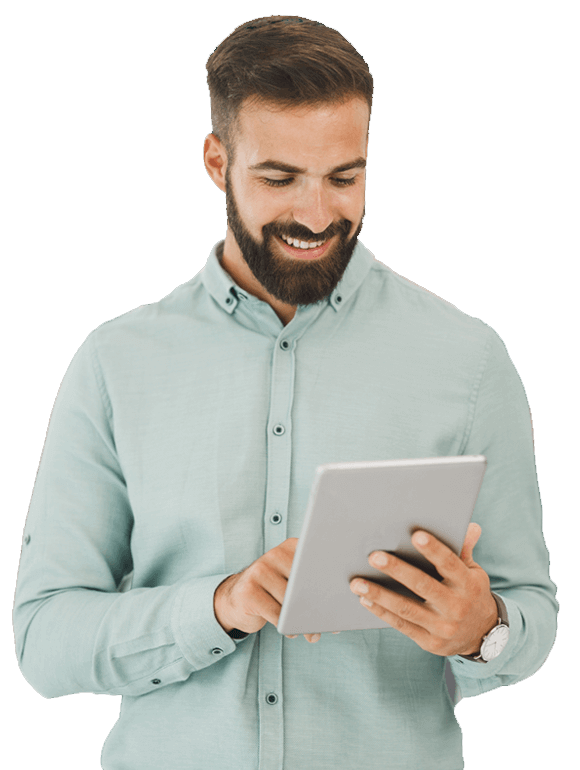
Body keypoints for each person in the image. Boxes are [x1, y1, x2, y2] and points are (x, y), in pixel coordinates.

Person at [13, 14, 558, 770]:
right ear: (216, 161)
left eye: (344, 178)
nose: (316, 214)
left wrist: (482, 631)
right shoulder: (115, 364)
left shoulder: (467, 360)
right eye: (279, 179)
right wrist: (218, 608)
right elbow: (45, 643)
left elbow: (530, 613)